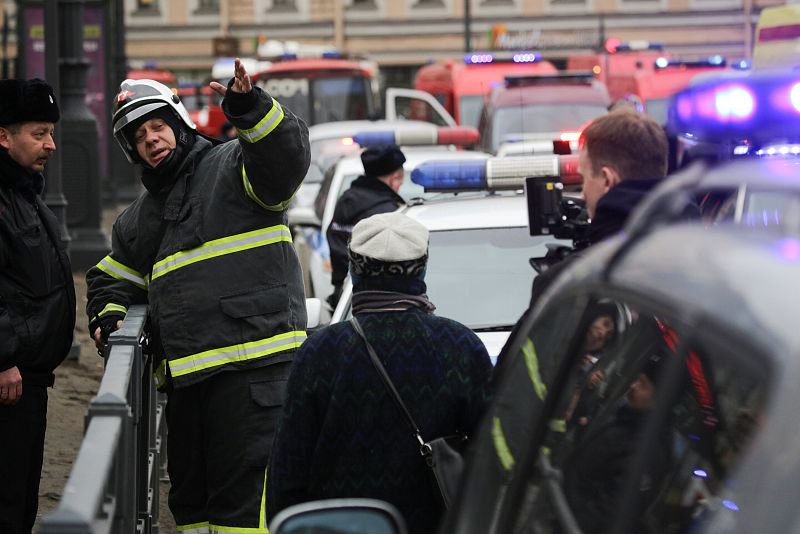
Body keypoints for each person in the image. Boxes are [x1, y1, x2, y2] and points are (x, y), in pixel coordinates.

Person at [85, 58, 310, 532]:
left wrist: (251, 108)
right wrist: (111, 318)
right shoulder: (139, 218)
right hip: (188, 391)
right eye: (139, 137)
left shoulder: (234, 165)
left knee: (243, 513)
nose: (151, 140)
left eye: (156, 126)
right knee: (191, 510)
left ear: (179, 123)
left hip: (255, 380)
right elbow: (110, 278)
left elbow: (284, 158)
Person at [267, 212, 493, 533]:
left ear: (354, 270)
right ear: (423, 268)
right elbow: (493, 458)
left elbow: (287, 470)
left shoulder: (321, 352)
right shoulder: (460, 345)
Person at [494, 109, 670, 380]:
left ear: (608, 181)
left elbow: (514, 388)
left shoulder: (575, 283)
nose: (583, 193)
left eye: (585, 178)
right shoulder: (711, 265)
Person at [0, 78, 76, 534]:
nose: (50, 144)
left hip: (28, 379)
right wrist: (4, 358)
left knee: (22, 498)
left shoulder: (23, 191)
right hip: (8, 382)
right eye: (39, 133)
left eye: (51, 133)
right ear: (4, 136)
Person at [563, 352, 673, 534]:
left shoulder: (648, 450)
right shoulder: (628, 421)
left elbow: (613, 509)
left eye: (643, 385)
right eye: (637, 380)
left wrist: (571, 518)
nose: (633, 386)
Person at [326, 143, 406, 308]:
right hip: (380, 298)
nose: (399, 188)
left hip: (344, 299)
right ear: (394, 179)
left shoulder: (345, 201)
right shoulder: (389, 213)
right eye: (400, 182)